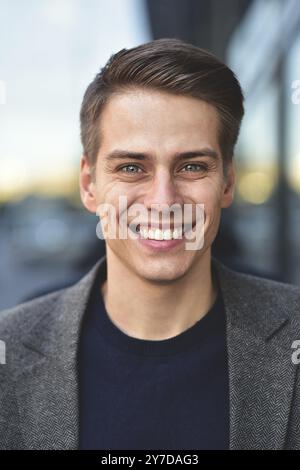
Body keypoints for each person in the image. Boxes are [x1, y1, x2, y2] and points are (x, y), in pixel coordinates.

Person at [0, 38, 299, 450]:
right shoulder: (8, 351)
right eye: (131, 167)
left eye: (192, 166)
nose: (163, 200)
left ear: (227, 182)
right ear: (89, 185)